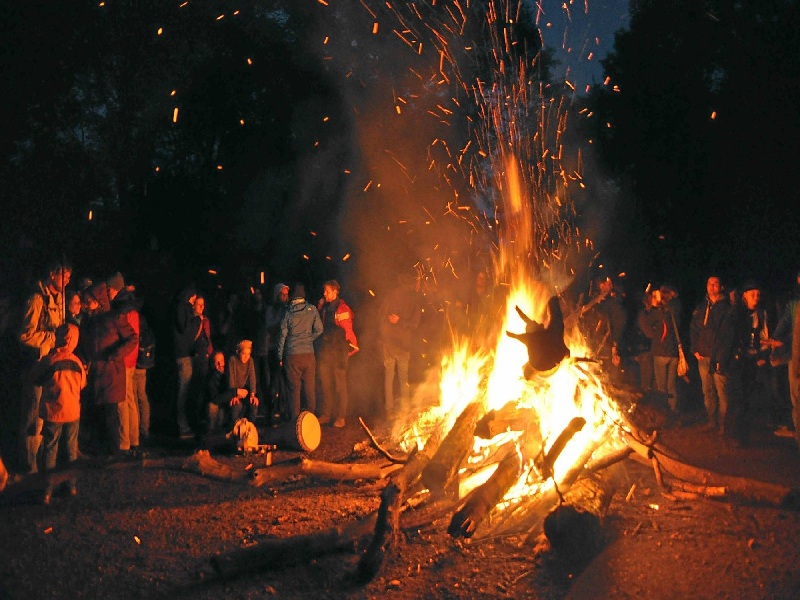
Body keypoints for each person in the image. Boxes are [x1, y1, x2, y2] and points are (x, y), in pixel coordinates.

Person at [18, 261, 72, 474]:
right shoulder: (36, 299)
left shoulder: (58, 300)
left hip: (50, 365)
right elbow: (25, 334)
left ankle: (43, 462)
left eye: (68, 277)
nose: (67, 281)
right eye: (64, 277)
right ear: (52, 275)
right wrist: (52, 337)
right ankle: (28, 465)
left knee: (47, 415)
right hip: (35, 366)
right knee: (33, 418)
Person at [82, 282, 139, 458]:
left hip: (112, 372)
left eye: (89, 300)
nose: (86, 303)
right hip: (97, 372)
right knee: (99, 414)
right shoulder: (91, 321)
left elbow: (132, 338)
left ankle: (114, 453)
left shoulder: (115, 318)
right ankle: (102, 451)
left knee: (111, 415)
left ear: (98, 300)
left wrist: (115, 354)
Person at [32, 323, 87, 504]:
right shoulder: (78, 362)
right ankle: (71, 486)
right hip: (73, 412)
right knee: (71, 448)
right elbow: (82, 385)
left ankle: (47, 490)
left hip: (54, 411)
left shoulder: (51, 361)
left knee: (50, 448)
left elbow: (37, 379)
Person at [690, 275, 731, 432]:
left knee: (722, 392)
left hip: (719, 356)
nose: (712, 286)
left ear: (721, 287)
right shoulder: (701, 308)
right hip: (703, 356)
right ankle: (712, 421)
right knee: (707, 391)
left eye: (715, 283)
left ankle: (723, 424)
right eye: (709, 284)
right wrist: (694, 349)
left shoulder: (726, 308)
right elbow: (694, 330)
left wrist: (723, 354)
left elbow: (728, 334)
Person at [316, 280, 359, 428]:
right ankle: (327, 414)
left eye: (327, 291)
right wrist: (321, 305)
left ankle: (341, 416)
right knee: (326, 383)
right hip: (327, 349)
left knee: (340, 384)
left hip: (339, 351)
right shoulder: (326, 307)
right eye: (324, 291)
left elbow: (346, 332)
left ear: (335, 292)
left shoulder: (342, 309)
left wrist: (345, 352)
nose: (324, 294)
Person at [107, 272, 142, 457]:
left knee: (122, 401)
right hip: (132, 358)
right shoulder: (132, 306)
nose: (108, 292)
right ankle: (134, 439)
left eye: (110, 289)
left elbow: (128, 337)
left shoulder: (121, 308)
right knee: (130, 400)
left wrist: (115, 354)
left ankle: (123, 443)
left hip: (124, 359)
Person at [277, 283, 323, 421]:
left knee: (294, 390)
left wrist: (280, 355)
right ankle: (310, 420)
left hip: (292, 356)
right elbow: (319, 329)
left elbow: (282, 336)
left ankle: (295, 422)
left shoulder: (288, 312)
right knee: (309, 387)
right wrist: (308, 339)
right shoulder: (312, 309)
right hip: (308, 354)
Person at [379, 273, 423, 416]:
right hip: (399, 344)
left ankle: (390, 409)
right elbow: (414, 324)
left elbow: (382, 316)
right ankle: (402, 409)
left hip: (393, 343)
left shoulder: (392, 295)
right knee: (402, 377)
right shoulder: (414, 299)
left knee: (389, 376)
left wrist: (397, 321)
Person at [638, 285, 681, 414]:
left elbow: (646, 324)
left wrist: (653, 306)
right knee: (671, 385)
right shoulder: (676, 308)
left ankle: (664, 412)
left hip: (661, 352)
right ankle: (673, 410)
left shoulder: (660, 312)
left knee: (661, 386)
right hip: (673, 353)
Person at [581, 275, 627, 384]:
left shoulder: (613, 304)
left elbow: (616, 324)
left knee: (611, 376)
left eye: (607, 284)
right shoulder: (599, 301)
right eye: (603, 284)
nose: (602, 286)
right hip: (596, 343)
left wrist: (615, 347)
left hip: (608, 344)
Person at [172, 285, 198, 439]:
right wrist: (195, 319)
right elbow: (185, 328)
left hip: (181, 354)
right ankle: (183, 427)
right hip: (184, 355)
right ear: (192, 297)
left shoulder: (178, 307)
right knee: (184, 392)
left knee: (184, 391)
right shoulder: (184, 309)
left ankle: (184, 425)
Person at [264, 283, 289, 421]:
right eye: (282, 294)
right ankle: (271, 411)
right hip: (274, 349)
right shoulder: (271, 310)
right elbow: (270, 327)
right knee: (274, 381)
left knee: (286, 381)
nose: (285, 297)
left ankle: (285, 410)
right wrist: (281, 320)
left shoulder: (287, 309)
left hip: (286, 349)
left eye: (286, 294)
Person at [227, 339, 259, 423]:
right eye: (244, 353)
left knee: (254, 403)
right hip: (234, 392)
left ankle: (251, 428)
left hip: (244, 392)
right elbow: (231, 379)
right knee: (236, 405)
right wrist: (234, 395)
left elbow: (252, 378)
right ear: (238, 352)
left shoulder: (250, 360)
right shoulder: (233, 360)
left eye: (248, 354)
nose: (246, 357)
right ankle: (234, 429)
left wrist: (252, 394)